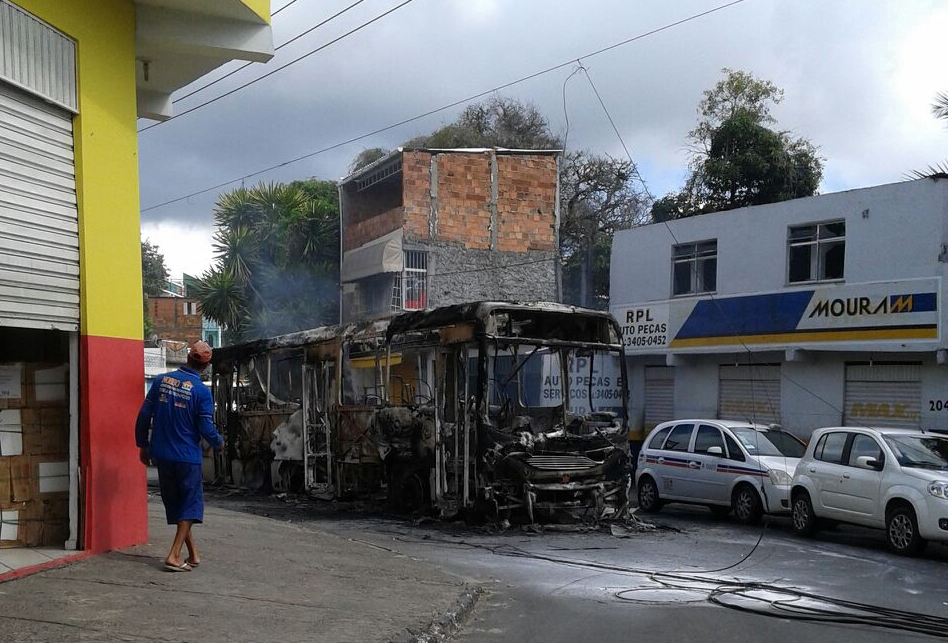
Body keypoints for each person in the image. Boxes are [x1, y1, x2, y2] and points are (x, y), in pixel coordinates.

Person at [135, 340, 223, 572]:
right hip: (187, 457)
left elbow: (144, 415)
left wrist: (142, 445)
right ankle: (173, 555)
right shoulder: (202, 392)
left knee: (177, 505)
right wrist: (219, 442)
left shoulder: (162, 380)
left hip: (162, 455)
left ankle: (193, 554)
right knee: (190, 506)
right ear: (205, 366)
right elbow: (206, 428)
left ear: (187, 358)